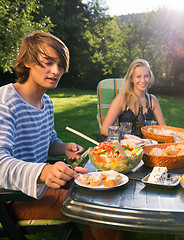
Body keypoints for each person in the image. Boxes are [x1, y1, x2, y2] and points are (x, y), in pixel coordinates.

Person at [0, 31, 121, 240]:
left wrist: (62, 147)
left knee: (103, 192)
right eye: (48, 62)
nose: (56, 71)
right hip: (16, 197)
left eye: (61, 65)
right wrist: (44, 172)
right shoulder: (5, 103)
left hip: (41, 187)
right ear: (28, 60)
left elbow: (48, 142)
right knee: (104, 211)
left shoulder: (46, 102)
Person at [100, 59, 166, 137]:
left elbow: (164, 129)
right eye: (138, 76)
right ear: (131, 79)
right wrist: (126, 137)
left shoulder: (152, 100)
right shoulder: (122, 99)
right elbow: (104, 129)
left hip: (148, 146)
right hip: (127, 147)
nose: (143, 80)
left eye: (146, 76)